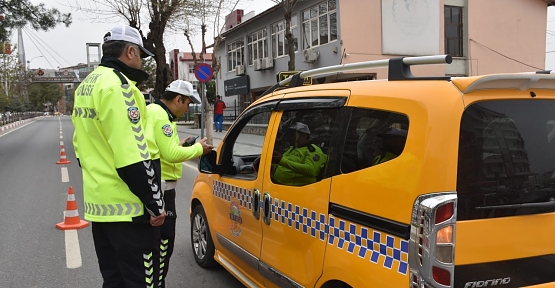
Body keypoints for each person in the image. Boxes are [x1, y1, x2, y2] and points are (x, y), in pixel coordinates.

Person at [72, 24, 166, 288]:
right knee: (143, 282)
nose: (141, 62)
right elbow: (133, 154)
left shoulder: (86, 87)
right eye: (141, 56)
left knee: (113, 281)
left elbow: (80, 150)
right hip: (131, 212)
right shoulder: (120, 88)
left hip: (101, 210)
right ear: (130, 51)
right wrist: (155, 203)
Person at [147, 79, 213, 287]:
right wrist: (199, 150)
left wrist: (179, 144)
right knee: (163, 243)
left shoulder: (154, 111)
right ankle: (157, 283)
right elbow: (171, 154)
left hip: (156, 185)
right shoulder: (162, 117)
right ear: (178, 99)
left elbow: (162, 149)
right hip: (162, 189)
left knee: (154, 245)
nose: (187, 108)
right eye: (187, 103)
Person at [272, 122, 328, 186]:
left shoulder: (313, 150)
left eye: (292, 135)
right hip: (278, 185)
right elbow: (283, 165)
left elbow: (311, 170)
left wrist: (281, 161)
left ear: (303, 136)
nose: (289, 137)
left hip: (297, 189)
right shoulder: (292, 148)